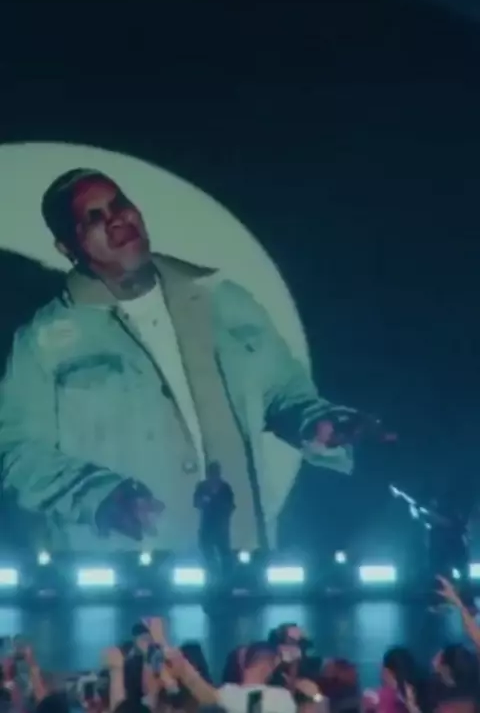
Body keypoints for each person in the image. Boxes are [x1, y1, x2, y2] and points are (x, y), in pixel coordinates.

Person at [0, 167, 358, 552]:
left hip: (242, 555)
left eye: (119, 204)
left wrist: (316, 423)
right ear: (67, 247)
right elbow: (16, 450)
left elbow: (283, 393)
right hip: (128, 566)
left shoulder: (225, 300)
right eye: (93, 218)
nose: (116, 220)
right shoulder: (43, 339)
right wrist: (98, 495)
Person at [194, 462, 234, 574]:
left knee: (224, 551)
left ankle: (226, 574)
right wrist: (204, 502)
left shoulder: (225, 488)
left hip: (221, 525)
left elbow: (230, 505)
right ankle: (211, 570)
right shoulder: (202, 487)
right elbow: (196, 502)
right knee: (206, 549)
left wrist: (221, 507)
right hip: (207, 524)